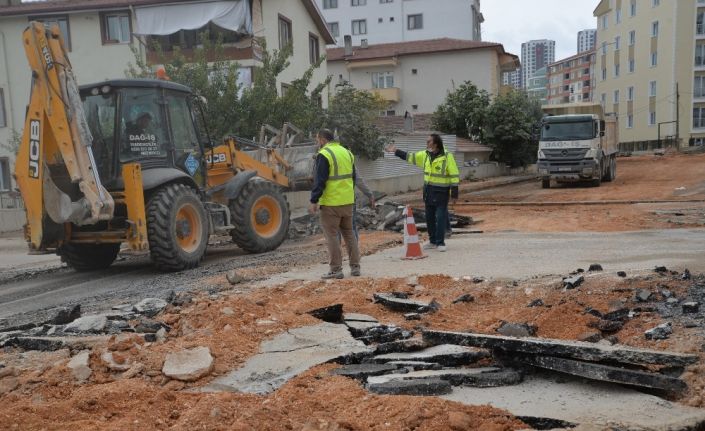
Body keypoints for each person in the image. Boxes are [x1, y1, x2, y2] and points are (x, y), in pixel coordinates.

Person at [385, 134, 459, 252]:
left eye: (428, 141)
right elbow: (410, 157)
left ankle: (440, 242)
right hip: (428, 191)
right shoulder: (425, 155)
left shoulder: (447, 156)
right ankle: (433, 241)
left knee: (440, 217)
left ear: (435, 143)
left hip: (441, 192)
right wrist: (396, 151)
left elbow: (454, 174)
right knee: (429, 217)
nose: (427, 143)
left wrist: (454, 193)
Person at [309, 129, 361, 279]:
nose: (317, 143)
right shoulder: (347, 152)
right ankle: (355, 267)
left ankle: (336, 270)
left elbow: (320, 180)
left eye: (317, 139)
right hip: (348, 201)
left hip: (331, 203)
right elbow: (353, 178)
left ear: (323, 140)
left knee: (332, 236)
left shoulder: (324, 154)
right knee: (350, 234)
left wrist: (314, 200)